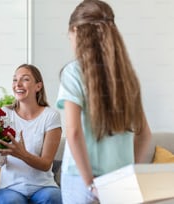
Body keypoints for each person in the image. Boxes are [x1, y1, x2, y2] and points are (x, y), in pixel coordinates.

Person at [56, 0, 152, 203]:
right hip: (120, 182)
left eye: (70, 36)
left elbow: (73, 133)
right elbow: (145, 135)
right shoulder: (127, 76)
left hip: (79, 179)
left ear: (76, 31)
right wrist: (128, 173)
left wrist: (90, 183)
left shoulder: (73, 72)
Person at [0, 64, 63, 204]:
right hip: (10, 188)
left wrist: (22, 154)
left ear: (38, 86)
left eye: (25, 79)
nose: (17, 84)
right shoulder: (4, 115)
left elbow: (46, 164)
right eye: (14, 80)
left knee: (53, 198)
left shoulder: (51, 116)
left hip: (43, 187)